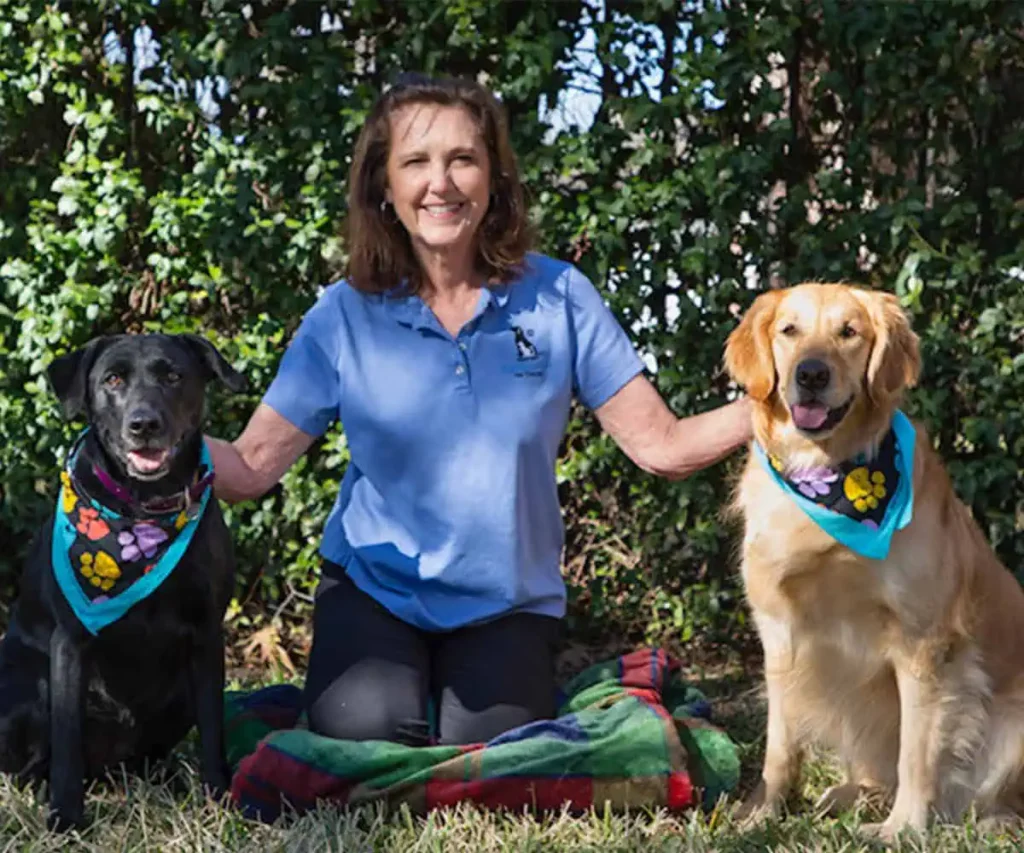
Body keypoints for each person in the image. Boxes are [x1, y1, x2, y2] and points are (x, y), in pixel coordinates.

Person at [206, 73, 752, 747]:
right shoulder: (342, 314)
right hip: (372, 590)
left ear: (493, 178)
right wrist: (146, 446)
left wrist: (780, 408)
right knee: (364, 732)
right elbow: (251, 467)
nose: (442, 182)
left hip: (506, 602)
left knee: (491, 751)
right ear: (383, 185)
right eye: (416, 162)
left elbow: (661, 446)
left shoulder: (560, 296)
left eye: (463, 158)